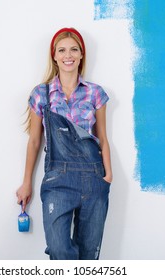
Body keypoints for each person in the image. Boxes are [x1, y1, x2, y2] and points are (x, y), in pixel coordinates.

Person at [16, 27, 113, 260]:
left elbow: (102, 137)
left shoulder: (95, 93)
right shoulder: (42, 94)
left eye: (73, 49)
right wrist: (26, 182)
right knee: (59, 250)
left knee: (90, 255)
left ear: (81, 55)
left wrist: (108, 176)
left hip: (94, 178)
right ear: (54, 56)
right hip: (57, 179)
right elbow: (35, 140)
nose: (67, 55)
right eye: (62, 50)